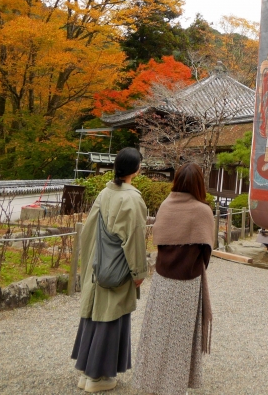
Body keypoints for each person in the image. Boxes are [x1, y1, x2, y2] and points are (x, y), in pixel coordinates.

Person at [133, 162, 214, 395]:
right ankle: (175, 385)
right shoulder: (202, 210)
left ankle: (151, 379)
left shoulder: (166, 205)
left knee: (157, 332)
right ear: (199, 184)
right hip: (187, 281)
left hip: (162, 278)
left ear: (177, 181)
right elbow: (206, 251)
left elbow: (159, 238)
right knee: (180, 337)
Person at [72, 147, 148, 392]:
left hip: (98, 264)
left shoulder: (105, 192)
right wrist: (138, 273)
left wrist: (92, 263)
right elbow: (135, 239)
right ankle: (98, 377)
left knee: (95, 314)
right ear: (136, 170)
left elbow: (89, 230)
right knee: (111, 317)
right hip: (118, 266)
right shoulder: (132, 198)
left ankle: (86, 372)